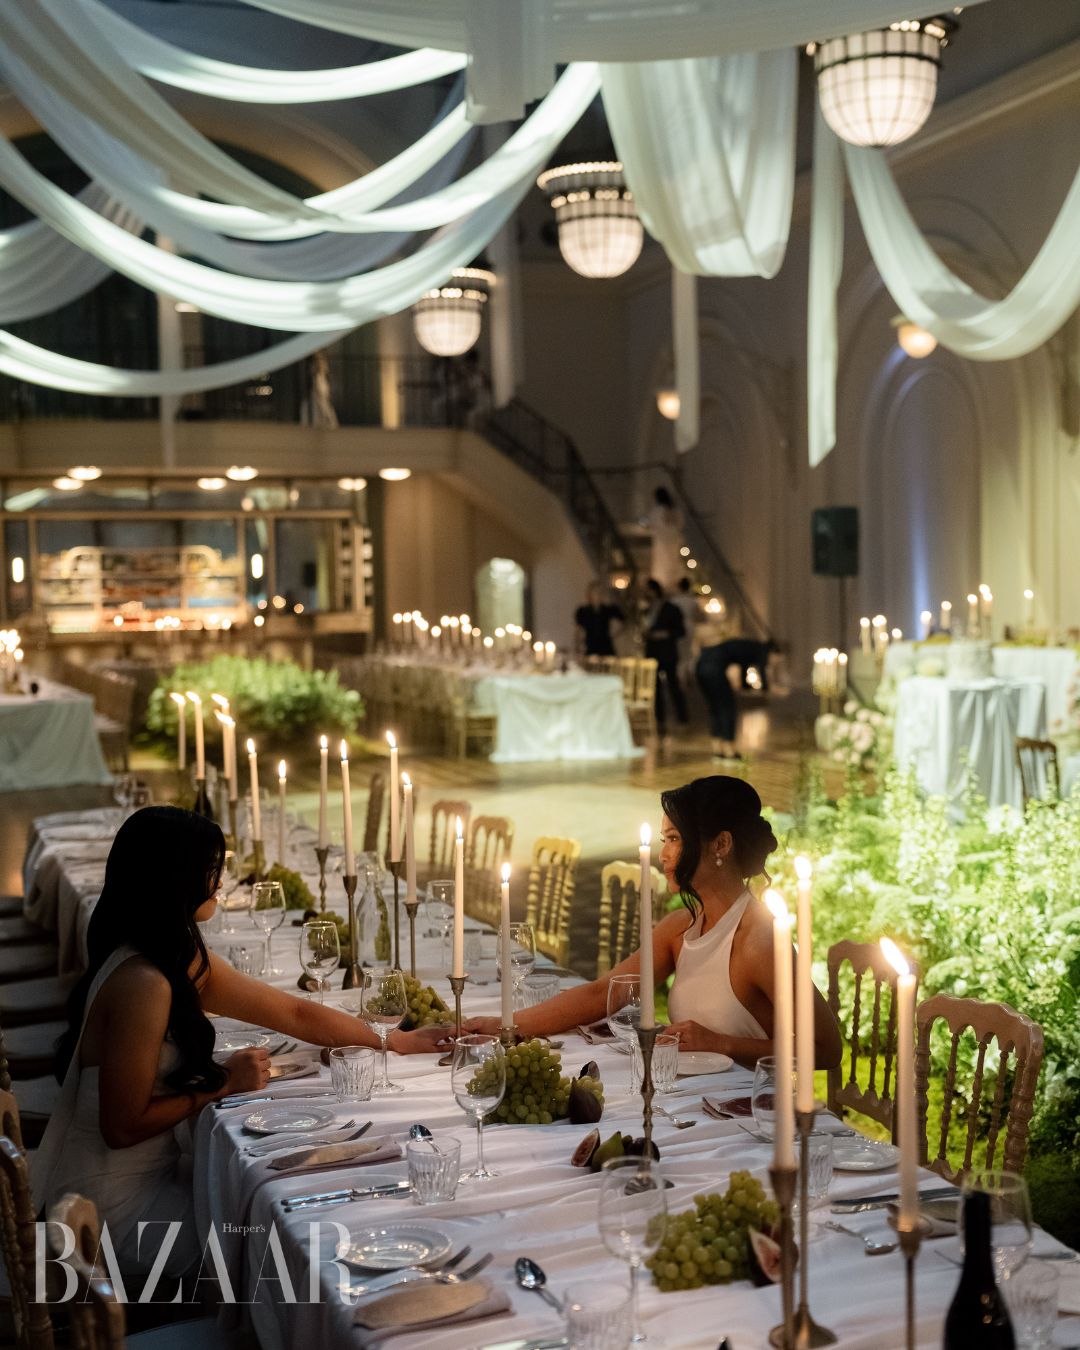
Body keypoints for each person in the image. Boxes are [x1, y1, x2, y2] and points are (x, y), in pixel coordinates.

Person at [32, 806, 447, 1280]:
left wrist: (395, 1040)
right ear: (175, 878)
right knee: (297, 1241)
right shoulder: (143, 983)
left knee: (279, 1205)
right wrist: (224, 1085)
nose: (221, 880)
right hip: (112, 1218)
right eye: (211, 868)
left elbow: (293, 1012)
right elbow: (121, 1127)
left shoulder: (170, 957)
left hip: (143, 1184)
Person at [468, 776, 842, 1071]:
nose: (663, 854)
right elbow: (603, 994)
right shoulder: (680, 928)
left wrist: (722, 1043)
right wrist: (502, 1025)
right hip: (688, 1100)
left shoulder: (759, 940)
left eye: (675, 839)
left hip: (749, 1114)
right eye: (665, 839)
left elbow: (826, 1050)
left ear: (721, 845)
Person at [642, 577, 687, 734]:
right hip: (652, 652)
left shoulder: (671, 609)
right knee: (656, 688)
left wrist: (665, 634)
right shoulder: (647, 610)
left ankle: (683, 718)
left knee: (674, 686)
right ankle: (660, 719)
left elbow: (681, 631)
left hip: (668, 653)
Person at [647, 486, 684, 591]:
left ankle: (663, 585)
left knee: (662, 562)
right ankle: (672, 583)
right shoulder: (675, 510)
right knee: (672, 560)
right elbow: (680, 524)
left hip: (662, 541)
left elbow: (652, 524)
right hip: (674, 540)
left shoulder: (657, 511)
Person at [574, 582, 624, 659]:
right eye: (596, 592)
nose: (598, 595)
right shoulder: (583, 611)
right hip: (591, 645)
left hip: (606, 645)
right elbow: (578, 630)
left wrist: (614, 635)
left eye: (601, 592)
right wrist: (577, 646)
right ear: (590, 594)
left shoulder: (608, 609)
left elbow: (623, 621)